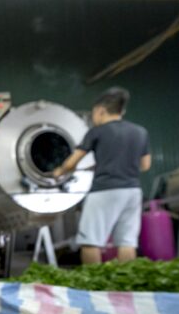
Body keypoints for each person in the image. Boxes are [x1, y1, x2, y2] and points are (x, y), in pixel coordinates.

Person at [52, 87, 151, 265]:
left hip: (105, 191)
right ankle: (126, 286)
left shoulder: (97, 132)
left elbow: (71, 163)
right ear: (122, 111)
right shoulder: (140, 132)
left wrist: (58, 172)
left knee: (90, 241)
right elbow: (145, 165)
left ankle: (94, 286)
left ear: (100, 110)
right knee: (127, 242)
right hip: (132, 191)